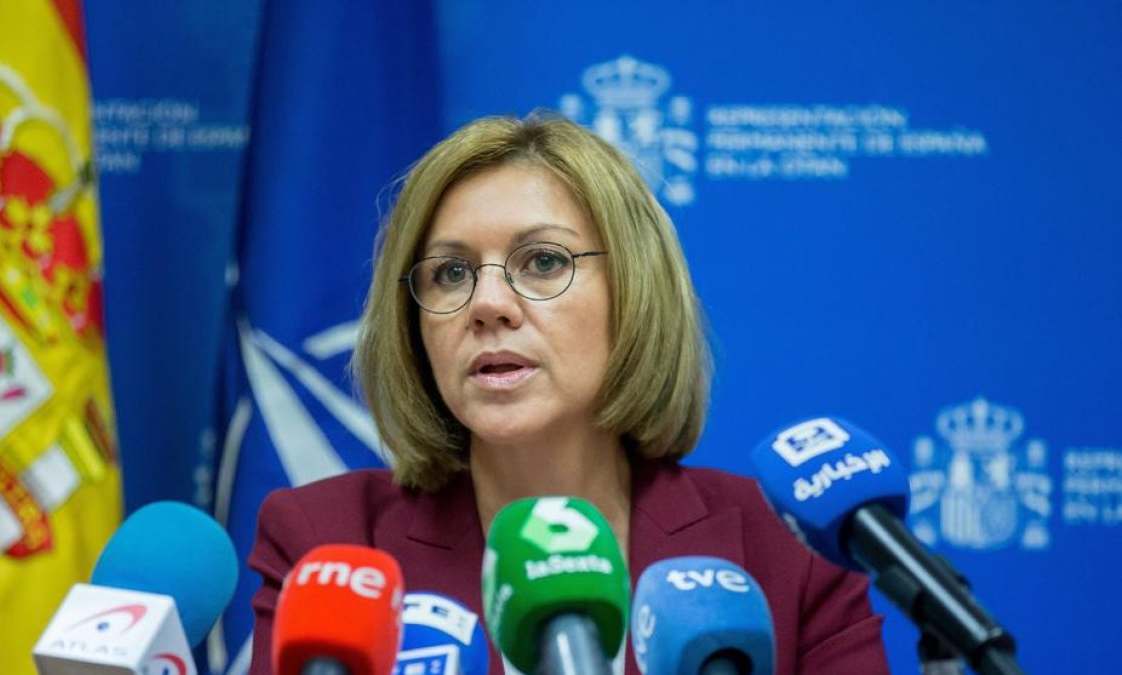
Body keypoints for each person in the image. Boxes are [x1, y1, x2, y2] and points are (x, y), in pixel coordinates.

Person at [248, 113, 889, 675]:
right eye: (450, 273)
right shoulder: (329, 549)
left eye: (544, 262)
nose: (488, 304)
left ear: (634, 292)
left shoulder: (785, 549)